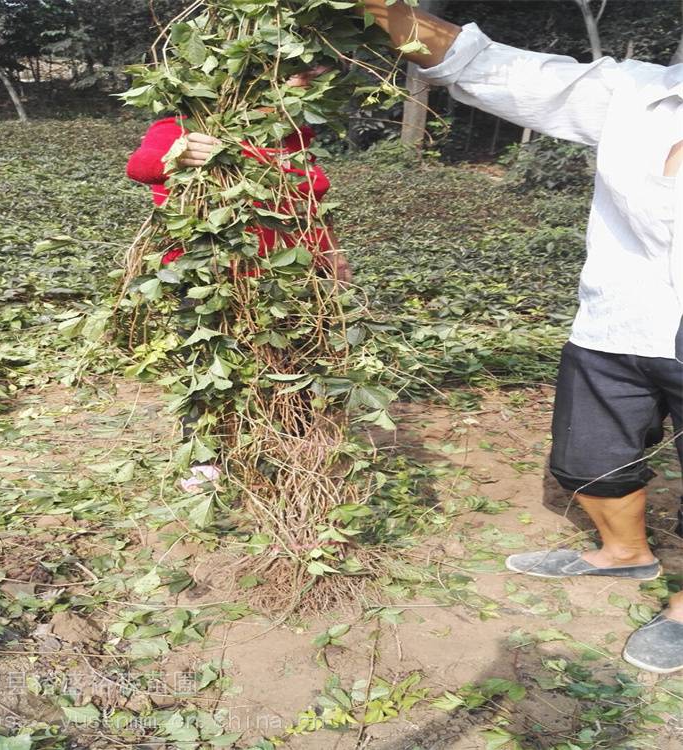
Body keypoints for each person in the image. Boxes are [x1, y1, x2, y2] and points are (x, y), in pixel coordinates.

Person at [360, 0, 683, 673]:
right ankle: (624, 554)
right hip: (621, 318)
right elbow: (485, 64)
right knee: (586, 455)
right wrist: (375, 9)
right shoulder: (638, 95)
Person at [126, 67, 351, 283]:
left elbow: (310, 205)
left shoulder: (296, 136)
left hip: (298, 278)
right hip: (218, 283)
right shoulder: (189, 128)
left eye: (321, 81)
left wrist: (331, 251)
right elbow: (139, 165)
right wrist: (178, 156)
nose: (313, 88)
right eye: (304, 77)